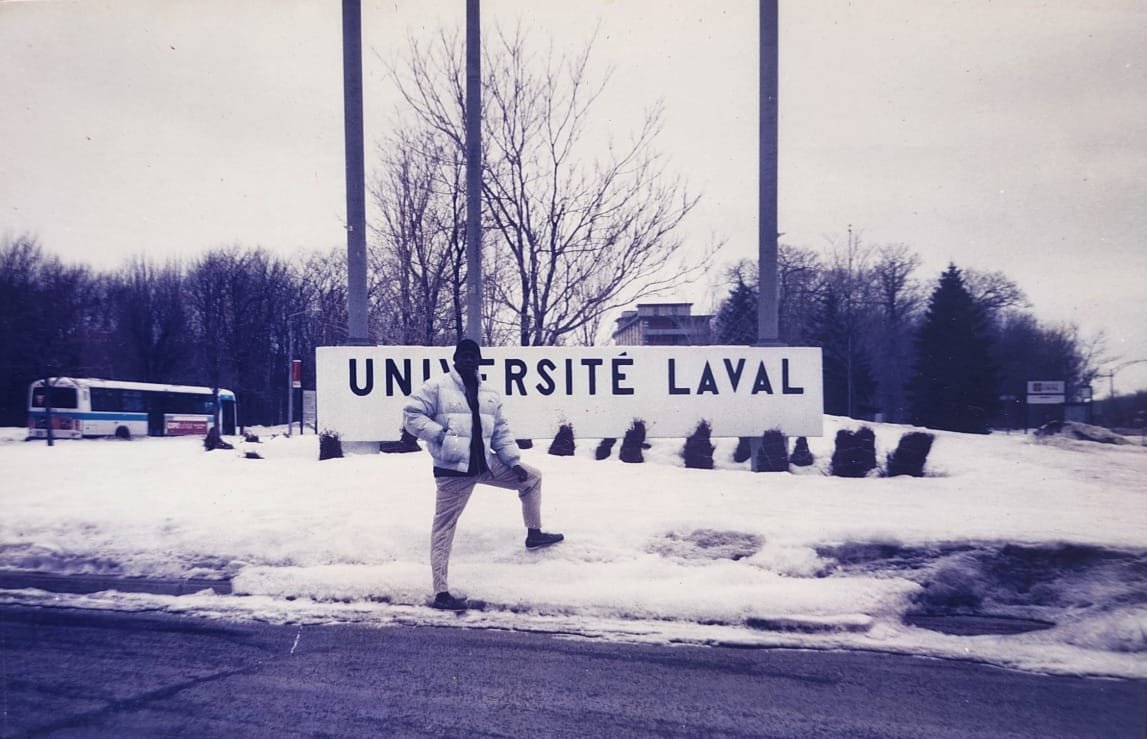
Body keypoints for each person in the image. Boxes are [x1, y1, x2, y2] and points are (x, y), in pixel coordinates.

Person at [403, 338, 564, 610]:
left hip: (486, 465)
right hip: (453, 471)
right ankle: (441, 593)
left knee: (532, 478)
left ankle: (534, 534)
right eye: (463, 356)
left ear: (479, 361)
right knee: (444, 528)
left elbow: (500, 431)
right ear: (455, 360)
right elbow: (411, 415)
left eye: (473, 356)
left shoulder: (488, 393)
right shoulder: (437, 387)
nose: (468, 360)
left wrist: (513, 462)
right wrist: (442, 436)